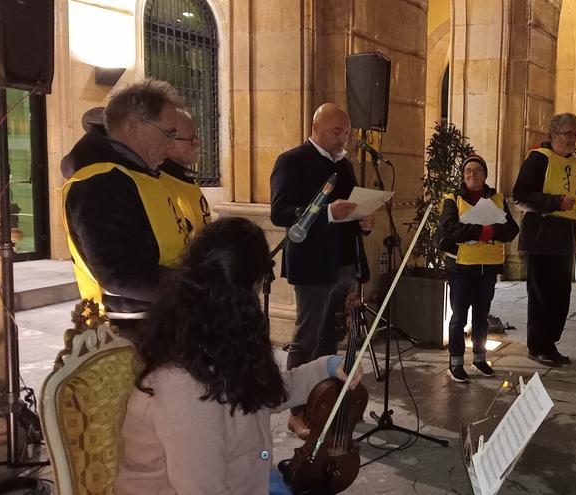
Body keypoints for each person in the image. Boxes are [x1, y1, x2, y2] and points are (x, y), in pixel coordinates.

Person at [115, 217, 363, 495]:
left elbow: (269, 392)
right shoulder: (181, 384)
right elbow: (205, 489)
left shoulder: (218, 342)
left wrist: (329, 366)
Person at [269, 103, 373, 439]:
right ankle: (295, 411)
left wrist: (364, 221)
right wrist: (327, 213)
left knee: (331, 337)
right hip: (313, 264)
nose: (343, 137)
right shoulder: (292, 161)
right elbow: (280, 212)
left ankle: (322, 401)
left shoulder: (343, 165)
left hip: (345, 262)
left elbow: (352, 209)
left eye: (346, 131)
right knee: (307, 337)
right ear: (315, 127)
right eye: (336, 131)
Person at [62, 79, 188, 333]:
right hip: (131, 330)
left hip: (161, 318)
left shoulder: (142, 174)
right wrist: (199, 287)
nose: (172, 145)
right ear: (134, 127)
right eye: (168, 134)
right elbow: (119, 275)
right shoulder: (100, 184)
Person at [512, 113, 576, 367]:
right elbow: (519, 196)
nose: (574, 139)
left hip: (565, 240)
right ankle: (538, 346)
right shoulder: (538, 159)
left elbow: (574, 204)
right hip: (541, 239)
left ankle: (550, 344)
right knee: (541, 296)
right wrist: (554, 202)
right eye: (569, 133)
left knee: (561, 296)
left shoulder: (574, 164)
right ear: (554, 135)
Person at [438, 154, 519, 383]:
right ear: (463, 176)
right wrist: (479, 232)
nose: (472, 174)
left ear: (485, 175)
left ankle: (480, 359)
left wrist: (492, 231)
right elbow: (449, 230)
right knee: (459, 317)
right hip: (461, 267)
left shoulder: (498, 200)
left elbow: (512, 229)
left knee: (482, 317)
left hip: (488, 267)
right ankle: (455, 363)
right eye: (468, 171)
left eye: (477, 170)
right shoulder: (452, 199)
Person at [159, 108, 212, 239]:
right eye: (192, 139)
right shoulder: (160, 183)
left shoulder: (184, 179)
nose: (199, 143)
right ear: (169, 141)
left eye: (197, 137)